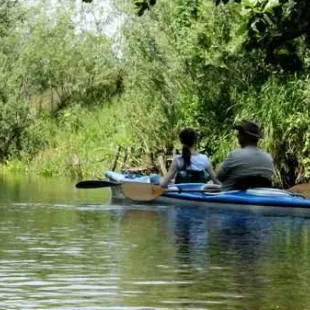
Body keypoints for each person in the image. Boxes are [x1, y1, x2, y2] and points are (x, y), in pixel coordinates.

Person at [215, 120, 275, 191]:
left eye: (239, 133)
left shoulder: (234, 155)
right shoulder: (269, 158)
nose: (237, 135)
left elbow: (219, 178)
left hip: (230, 197)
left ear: (244, 136)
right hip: (259, 199)